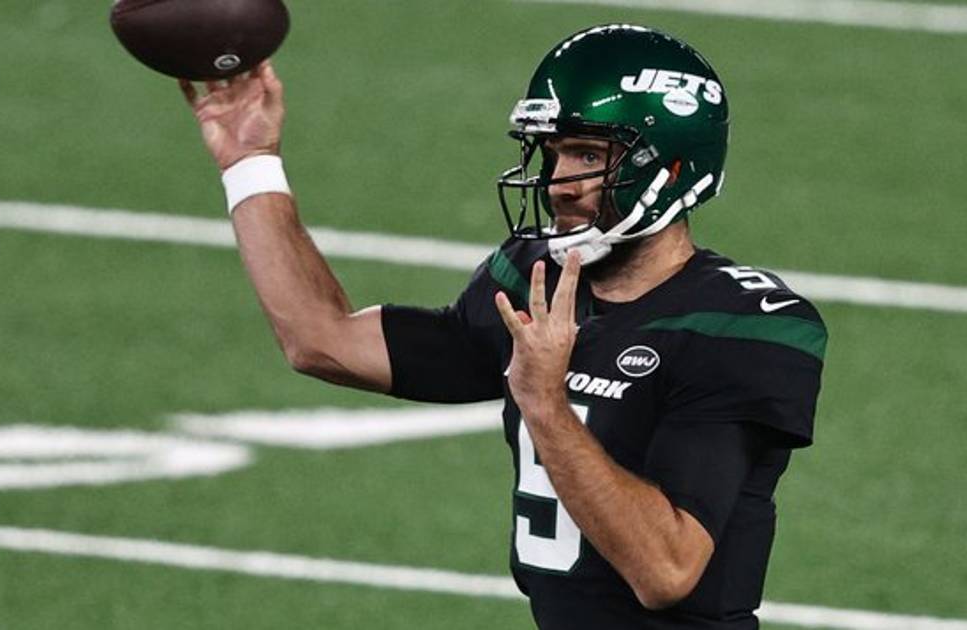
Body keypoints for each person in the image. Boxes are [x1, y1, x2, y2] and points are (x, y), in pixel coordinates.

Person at [181, 23, 826, 630]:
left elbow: (667, 570)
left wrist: (545, 401)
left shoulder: (739, 327)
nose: (558, 183)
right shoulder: (532, 279)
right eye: (552, 153)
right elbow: (321, 340)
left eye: (587, 154)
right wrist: (250, 162)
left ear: (672, 169)